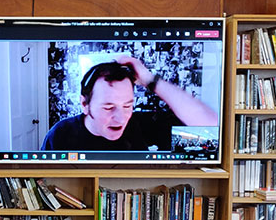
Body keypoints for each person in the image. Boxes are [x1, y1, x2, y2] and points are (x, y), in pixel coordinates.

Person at [41, 56, 219, 151]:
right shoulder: (60, 135)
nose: (121, 117)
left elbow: (210, 125)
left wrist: (151, 80)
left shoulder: (141, 124)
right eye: (109, 107)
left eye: (127, 105)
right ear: (84, 105)